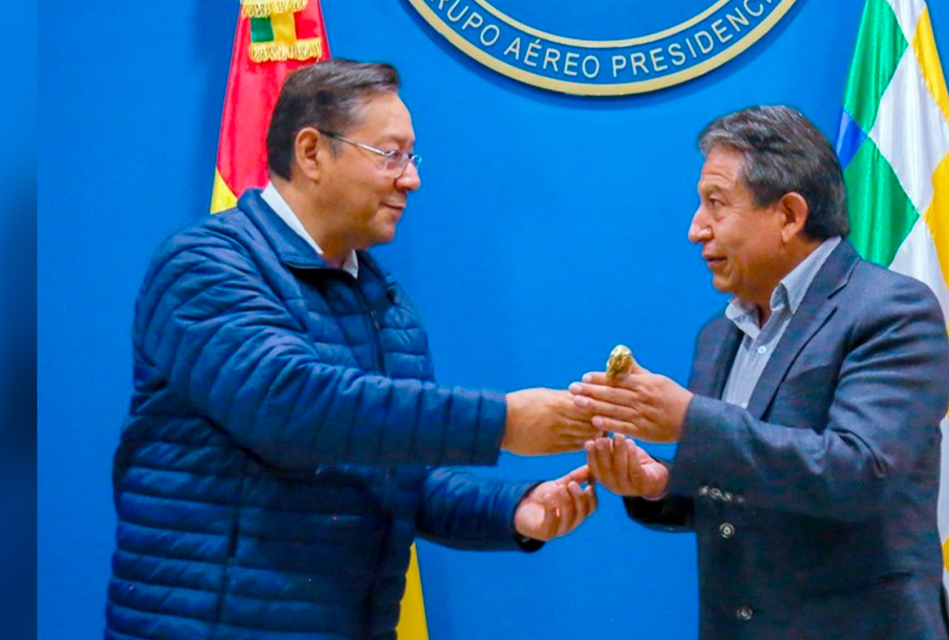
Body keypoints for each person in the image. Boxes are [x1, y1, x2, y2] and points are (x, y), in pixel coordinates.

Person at [105, 59, 599, 640]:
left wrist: (517, 509)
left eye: (412, 157)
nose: (410, 178)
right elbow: (289, 406)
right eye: (390, 155)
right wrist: (502, 421)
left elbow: (399, 476)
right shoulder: (206, 267)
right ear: (312, 153)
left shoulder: (388, 306)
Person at [571, 105, 949, 639]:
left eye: (715, 204)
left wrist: (689, 423)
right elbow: (740, 482)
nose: (694, 229)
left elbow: (860, 473)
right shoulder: (717, 335)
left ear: (790, 215)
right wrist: (661, 483)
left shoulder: (892, 312)